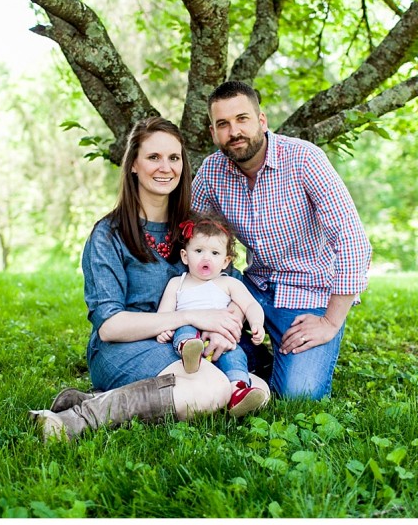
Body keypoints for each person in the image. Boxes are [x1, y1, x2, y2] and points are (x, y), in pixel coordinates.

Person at [29, 116, 269, 440]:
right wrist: (188, 316)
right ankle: (77, 420)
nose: (165, 167)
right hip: (123, 347)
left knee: (257, 388)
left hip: (185, 344)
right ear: (133, 165)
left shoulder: (196, 228)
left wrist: (227, 326)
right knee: (213, 389)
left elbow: (233, 282)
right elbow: (110, 325)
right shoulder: (108, 235)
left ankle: (96, 400)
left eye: (173, 158)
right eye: (153, 157)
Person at [191, 81, 372, 400]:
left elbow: (352, 241)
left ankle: (261, 364)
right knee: (196, 340)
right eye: (224, 124)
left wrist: (330, 321)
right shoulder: (211, 172)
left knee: (298, 395)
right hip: (251, 288)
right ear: (213, 132)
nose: (234, 131)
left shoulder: (304, 159)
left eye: (242, 119)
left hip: (307, 292)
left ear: (262, 121)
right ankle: (256, 360)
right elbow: (189, 233)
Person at [155, 211, 268, 418]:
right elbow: (164, 315)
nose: (206, 257)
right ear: (185, 256)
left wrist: (257, 323)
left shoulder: (228, 283)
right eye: (199, 250)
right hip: (190, 331)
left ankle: (237, 391)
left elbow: (251, 305)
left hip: (222, 341)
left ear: (225, 261)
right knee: (186, 327)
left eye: (215, 253)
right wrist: (164, 331)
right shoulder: (177, 283)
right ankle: (189, 349)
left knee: (235, 355)